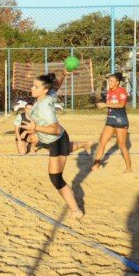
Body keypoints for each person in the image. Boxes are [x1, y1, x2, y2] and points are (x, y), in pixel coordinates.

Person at [21, 70, 90, 218]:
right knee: (60, 165)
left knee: (56, 178)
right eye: (33, 85)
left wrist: (35, 128)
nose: (32, 88)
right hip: (50, 140)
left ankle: (76, 211)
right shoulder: (45, 96)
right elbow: (56, 87)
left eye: (36, 86)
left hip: (57, 141)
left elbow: (55, 129)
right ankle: (84, 144)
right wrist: (64, 74)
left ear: (44, 90)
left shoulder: (44, 107)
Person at [92, 72, 132, 173]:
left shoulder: (121, 91)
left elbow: (121, 105)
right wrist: (102, 105)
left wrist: (105, 104)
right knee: (102, 142)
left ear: (117, 82)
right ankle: (96, 165)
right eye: (109, 81)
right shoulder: (109, 91)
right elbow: (110, 105)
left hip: (120, 121)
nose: (109, 82)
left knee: (122, 145)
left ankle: (129, 168)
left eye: (111, 81)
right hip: (110, 120)